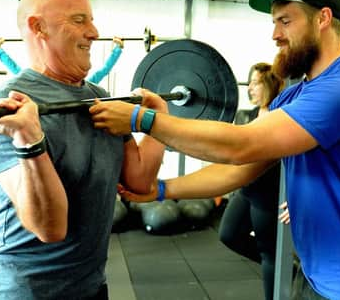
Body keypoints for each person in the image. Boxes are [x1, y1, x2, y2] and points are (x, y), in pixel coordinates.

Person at [90, 0, 340, 300]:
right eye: (274, 23)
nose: (275, 34)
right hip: (318, 277)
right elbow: (241, 167)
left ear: (323, 18)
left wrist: (140, 119)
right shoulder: (295, 96)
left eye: (285, 21)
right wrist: (161, 189)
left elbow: (240, 144)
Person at [0, 0, 167, 300]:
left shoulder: (101, 100)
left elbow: (139, 181)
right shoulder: (6, 104)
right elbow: (49, 228)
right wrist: (29, 139)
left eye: (91, 20)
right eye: (79, 20)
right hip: (25, 288)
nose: (93, 32)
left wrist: (158, 121)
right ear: (38, 27)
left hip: (90, 284)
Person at [119, 61, 286, 300]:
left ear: (270, 84)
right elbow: (229, 160)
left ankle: (283, 275)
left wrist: (146, 120)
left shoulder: (281, 119)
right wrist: (162, 186)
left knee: (270, 253)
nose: (250, 88)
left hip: (268, 194)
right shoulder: (247, 115)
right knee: (229, 234)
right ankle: (287, 269)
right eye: (249, 82)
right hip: (244, 188)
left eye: (255, 83)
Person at [0, 36, 125, 84]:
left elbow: (104, 70)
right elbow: (16, 70)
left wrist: (118, 49)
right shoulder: (38, 85)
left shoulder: (83, 85)